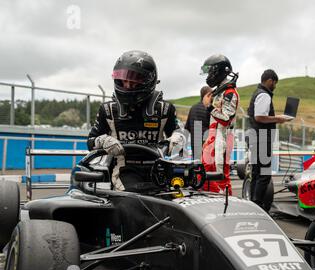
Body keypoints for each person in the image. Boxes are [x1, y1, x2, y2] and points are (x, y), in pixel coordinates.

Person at [87, 50, 185, 191]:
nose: (127, 85)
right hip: (124, 172)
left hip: (158, 171)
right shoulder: (108, 110)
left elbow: (179, 135)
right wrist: (103, 141)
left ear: (148, 81)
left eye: (132, 82)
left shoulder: (165, 110)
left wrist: (178, 138)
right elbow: (91, 141)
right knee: (133, 203)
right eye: (123, 80)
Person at [247, 69, 289, 211]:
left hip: (256, 137)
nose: (275, 86)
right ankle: (258, 206)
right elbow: (260, 117)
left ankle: (252, 205)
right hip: (262, 139)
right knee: (264, 174)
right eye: (275, 83)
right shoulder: (264, 95)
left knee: (256, 173)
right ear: (270, 80)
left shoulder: (257, 93)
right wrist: (279, 118)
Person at [200, 54, 239, 195]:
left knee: (220, 177)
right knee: (205, 175)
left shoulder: (229, 92)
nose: (209, 75)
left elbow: (226, 119)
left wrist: (209, 107)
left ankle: (226, 209)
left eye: (211, 71)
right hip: (213, 138)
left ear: (219, 71)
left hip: (221, 139)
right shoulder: (220, 91)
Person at [185, 86, 212, 160]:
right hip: (206, 143)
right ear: (207, 95)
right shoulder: (209, 109)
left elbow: (187, 127)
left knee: (197, 166)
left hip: (195, 143)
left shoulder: (193, 108)